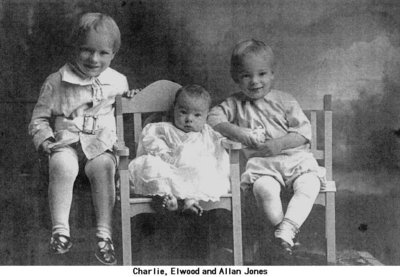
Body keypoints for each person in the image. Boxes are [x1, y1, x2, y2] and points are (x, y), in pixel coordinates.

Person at [28, 12, 136, 265]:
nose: (93, 59)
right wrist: (44, 138)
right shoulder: (57, 81)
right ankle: (60, 230)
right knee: (62, 165)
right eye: (86, 50)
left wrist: (131, 97)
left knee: (104, 168)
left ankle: (104, 234)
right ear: (73, 49)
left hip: (99, 145)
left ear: (113, 54)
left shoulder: (118, 81)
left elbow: (123, 108)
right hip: (66, 141)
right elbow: (39, 118)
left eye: (103, 53)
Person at [207, 39, 325, 257]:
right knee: (264, 189)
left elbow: (303, 132)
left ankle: (286, 230)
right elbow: (213, 117)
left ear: (272, 74)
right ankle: (283, 240)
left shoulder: (285, 100)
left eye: (261, 74)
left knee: (309, 184)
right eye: (246, 75)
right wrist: (241, 133)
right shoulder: (235, 103)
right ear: (236, 78)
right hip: (263, 166)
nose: (255, 81)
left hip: (295, 160)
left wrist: (279, 143)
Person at [128, 84, 230, 216]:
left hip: (190, 172)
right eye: (183, 112)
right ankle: (167, 197)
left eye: (197, 115)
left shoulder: (207, 133)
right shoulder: (163, 128)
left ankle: (190, 201)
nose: (189, 119)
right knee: (151, 166)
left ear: (206, 116)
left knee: (203, 167)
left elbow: (216, 150)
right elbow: (151, 140)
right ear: (174, 109)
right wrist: (163, 153)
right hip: (167, 166)